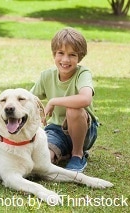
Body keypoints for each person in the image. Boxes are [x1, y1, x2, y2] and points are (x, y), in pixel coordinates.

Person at [30, 27, 98, 172]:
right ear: (54, 54)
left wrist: (54, 101)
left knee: (73, 110)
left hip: (84, 129)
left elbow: (85, 99)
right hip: (56, 129)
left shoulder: (83, 73)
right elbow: (30, 99)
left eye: (72, 55)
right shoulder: (46, 76)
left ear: (79, 57)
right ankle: (62, 151)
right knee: (42, 160)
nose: (65, 60)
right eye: (61, 53)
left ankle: (78, 154)